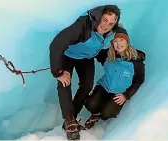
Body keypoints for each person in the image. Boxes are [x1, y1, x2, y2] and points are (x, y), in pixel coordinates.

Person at [49, 5, 126, 140]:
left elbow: (103, 47)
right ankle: (69, 120)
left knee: (86, 86)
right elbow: (57, 44)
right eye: (104, 20)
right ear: (98, 17)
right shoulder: (83, 25)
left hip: (85, 57)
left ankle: (72, 117)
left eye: (111, 23)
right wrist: (58, 72)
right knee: (64, 82)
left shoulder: (112, 32)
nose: (106, 25)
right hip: (67, 54)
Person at [84, 30, 145, 129]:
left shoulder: (136, 62)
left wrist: (126, 95)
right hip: (104, 86)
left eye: (121, 40)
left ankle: (101, 114)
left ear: (127, 42)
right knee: (91, 104)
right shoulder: (108, 54)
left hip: (119, 92)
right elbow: (94, 51)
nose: (118, 43)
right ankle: (95, 114)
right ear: (112, 43)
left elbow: (139, 80)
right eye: (115, 41)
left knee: (107, 113)